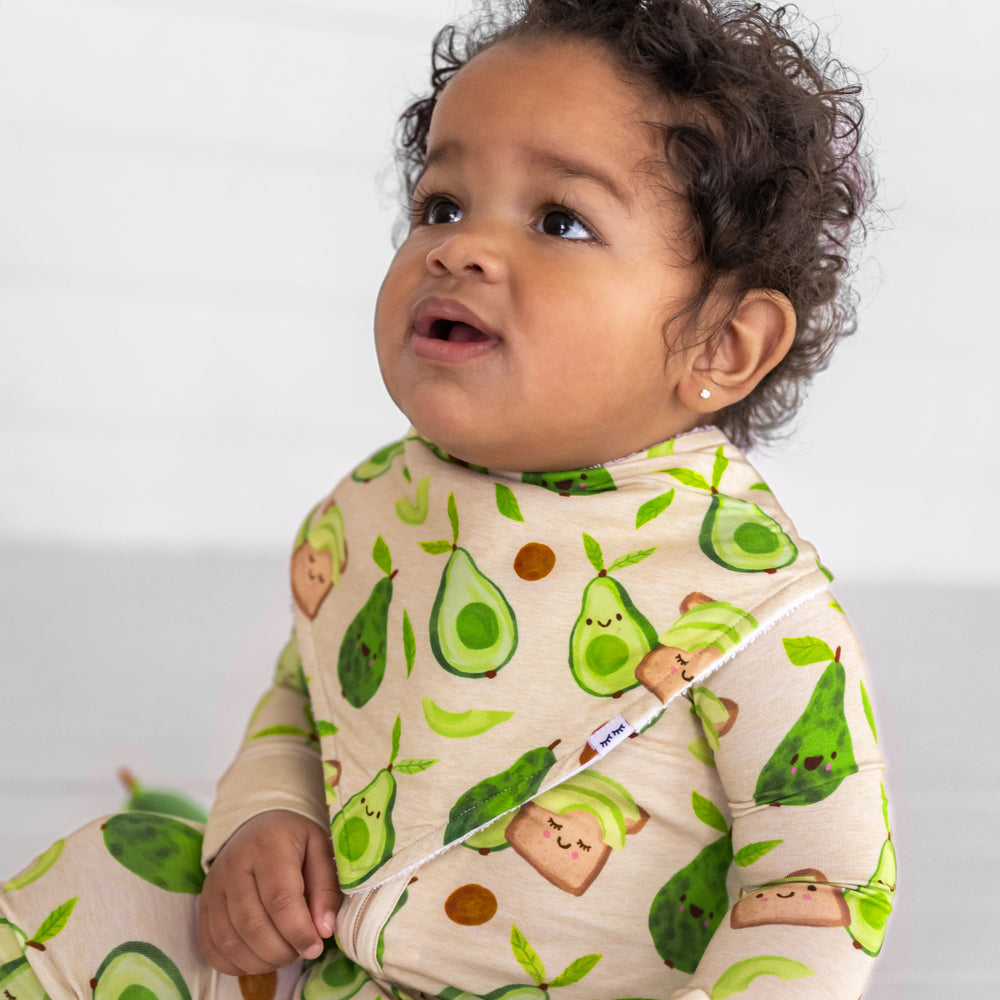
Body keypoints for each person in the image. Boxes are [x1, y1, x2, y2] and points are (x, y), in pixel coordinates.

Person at [0, 2, 895, 999]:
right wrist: (264, 816)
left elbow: (819, 883)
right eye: (441, 205)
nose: (458, 249)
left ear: (719, 346)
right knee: (113, 869)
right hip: (334, 965)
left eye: (559, 219)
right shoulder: (385, 505)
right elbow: (308, 703)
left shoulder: (754, 610)